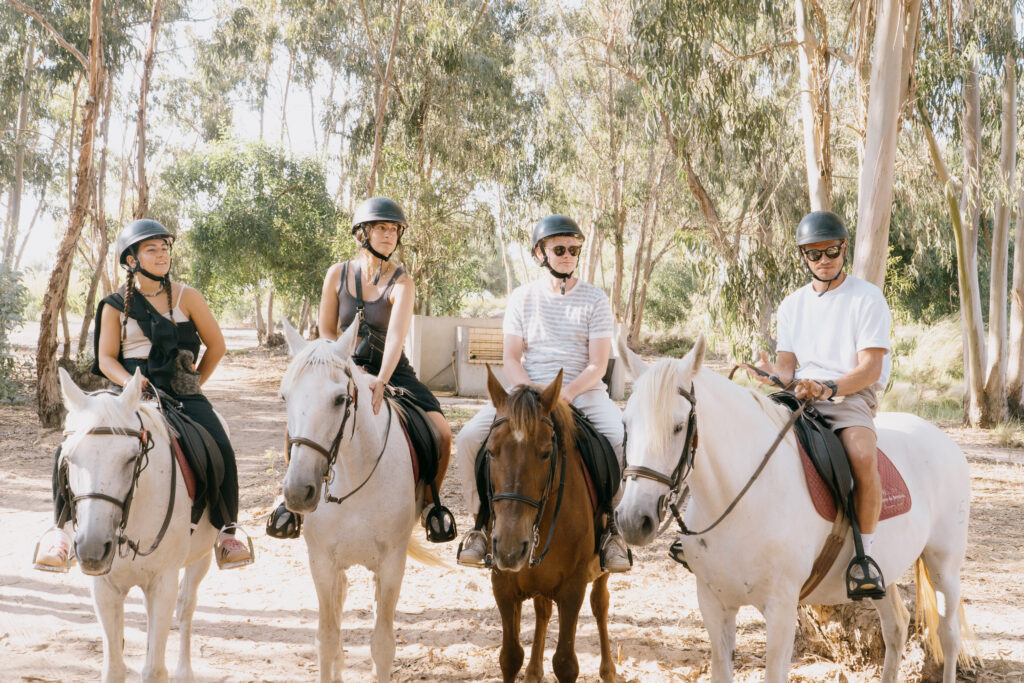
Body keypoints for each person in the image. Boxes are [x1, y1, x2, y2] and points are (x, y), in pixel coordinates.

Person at [34, 219, 253, 571]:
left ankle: (228, 532)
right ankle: (59, 533)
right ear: (131, 260)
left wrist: (196, 382)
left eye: (165, 247)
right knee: (70, 444)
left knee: (221, 444)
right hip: (130, 392)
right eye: (151, 249)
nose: (162, 254)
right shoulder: (114, 305)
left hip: (182, 391)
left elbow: (217, 346)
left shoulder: (188, 297)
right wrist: (132, 383)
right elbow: (106, 359)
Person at [268, 197, 457, 542]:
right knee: (300, 422)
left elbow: (397, 337)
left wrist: (381, 381)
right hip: (341, 363)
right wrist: (344, 366)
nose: (389, 235)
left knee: (442, 433)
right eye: (381, 228)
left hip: (391, 370)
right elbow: (326, 332)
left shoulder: (402, 283)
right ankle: (290, 502)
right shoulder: (336, 275)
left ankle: (431, 506)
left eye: (394, 230)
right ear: (363, 233)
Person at [455, 214, 632, 573]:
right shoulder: (522, 298)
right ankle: (478, 526)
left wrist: (564, 394)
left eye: (573, 249)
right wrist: (534, 394)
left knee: (617, 437)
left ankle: (611, 530)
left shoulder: (596, 300)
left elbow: (598, 364)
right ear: (541, 253)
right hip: (526, 393)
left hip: (582, 393)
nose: (568, 255)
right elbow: (510, 357)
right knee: (469, 438)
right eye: (560, 249)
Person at [744, 209, 892, 600]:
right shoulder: (792, 304)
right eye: (813, 254)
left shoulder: (867, 297)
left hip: (849, 393)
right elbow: (788, 369)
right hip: (802, 394)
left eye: (830, 251)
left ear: (844, 249)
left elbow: (871, 367)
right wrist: (769, 376)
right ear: (803, 256)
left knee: (861, 454)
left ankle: (866, 558)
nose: (823, 260)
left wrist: (828, 388)